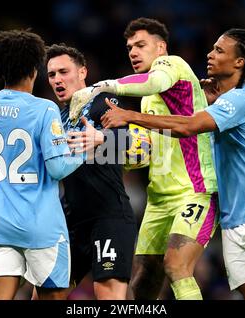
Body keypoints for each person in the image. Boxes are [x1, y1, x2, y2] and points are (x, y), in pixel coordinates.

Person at [101, 28, 245, 300]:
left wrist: (129, 115)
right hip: (233, 217)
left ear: (239, 62)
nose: (210, 54)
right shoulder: (220, 101)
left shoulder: (243, 100)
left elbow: (188, 126)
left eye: (219, 50)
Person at [71, 17, 219, 300]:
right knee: (143, 283)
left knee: (176, 266)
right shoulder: (149, 101)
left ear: (161, 47)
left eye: (141, 45)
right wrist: (100, 143)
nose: (133, 52)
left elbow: (153, 81)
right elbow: (144, 152)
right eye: (129, 48)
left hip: (194, 192)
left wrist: (101, 86)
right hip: (158, 200)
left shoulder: (172, 66)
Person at [0, 30, 84, 300]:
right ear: (34, 69)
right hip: (42, 228)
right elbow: (58, 169)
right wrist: (82, 151)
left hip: (0, 225)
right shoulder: (44, 109)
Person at [44, 43, 138, 300]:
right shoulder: (57, 118)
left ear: (83, 72)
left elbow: (128, 141)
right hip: (72, 223)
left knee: (108, 297)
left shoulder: (102, 101)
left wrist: (101, 138)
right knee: (46, 295)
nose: (57, 80)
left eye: (64, 72)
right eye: (52, 75)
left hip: (108, 217)